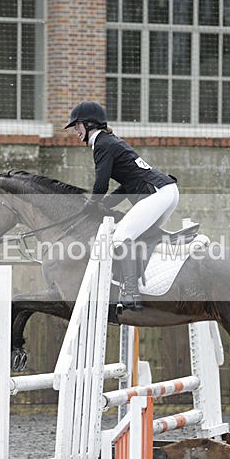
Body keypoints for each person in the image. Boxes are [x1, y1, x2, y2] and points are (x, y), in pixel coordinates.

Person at [64, 100, 179, 311]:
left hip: (159, 194)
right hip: (167, 191)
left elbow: (101, 184)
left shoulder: (102, 144)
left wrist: (92, 204)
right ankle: (156, 272)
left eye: (77, 125)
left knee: (120, 237)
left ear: (89, 124)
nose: (75, 131)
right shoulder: (111, 141)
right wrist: (104, 204)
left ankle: (131, 294)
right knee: (140, 236)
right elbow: (126, 186)